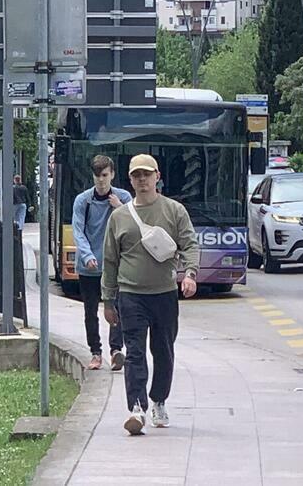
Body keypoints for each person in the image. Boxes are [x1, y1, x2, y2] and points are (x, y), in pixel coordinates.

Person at [102, 154, 200, 436]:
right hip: (131, 294)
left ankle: (159, 400)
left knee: (164, 351)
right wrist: (108, 300)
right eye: (136, 175)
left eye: (147, 174)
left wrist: (190, 274)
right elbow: (110, 260)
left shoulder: (174, 210)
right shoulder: (119, 217)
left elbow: (190, 245)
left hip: (165, 294)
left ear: (157, 176)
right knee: (134, 353)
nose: (142, 180)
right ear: (130, 180)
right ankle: (136, 408)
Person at [72, 155, 132, 371]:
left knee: (115, 308)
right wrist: (87, 256)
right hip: (89, 267)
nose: (101, 180)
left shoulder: (123, 198)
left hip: (114, 266)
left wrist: (118, 207)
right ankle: (95, 352)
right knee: (90, 311)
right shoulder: (83, 200)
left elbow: (134, 225)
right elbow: (78, 231)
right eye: (97, 175)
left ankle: (116, 350)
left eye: (105, 175)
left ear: (112, 175)